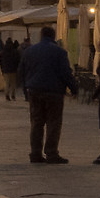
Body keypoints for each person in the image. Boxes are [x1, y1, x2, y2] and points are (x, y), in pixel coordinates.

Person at [20, 24, 72, 164]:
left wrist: (26, 87)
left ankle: (35, 153)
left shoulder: (29, 51)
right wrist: (74, 88)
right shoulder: (60, 52)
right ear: (53, 37)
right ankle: (51, 153)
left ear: (41, 35)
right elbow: (66, 73)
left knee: (36, 122)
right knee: (53, 123)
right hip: (54, 92)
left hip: (34, 91)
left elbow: (22, 71)